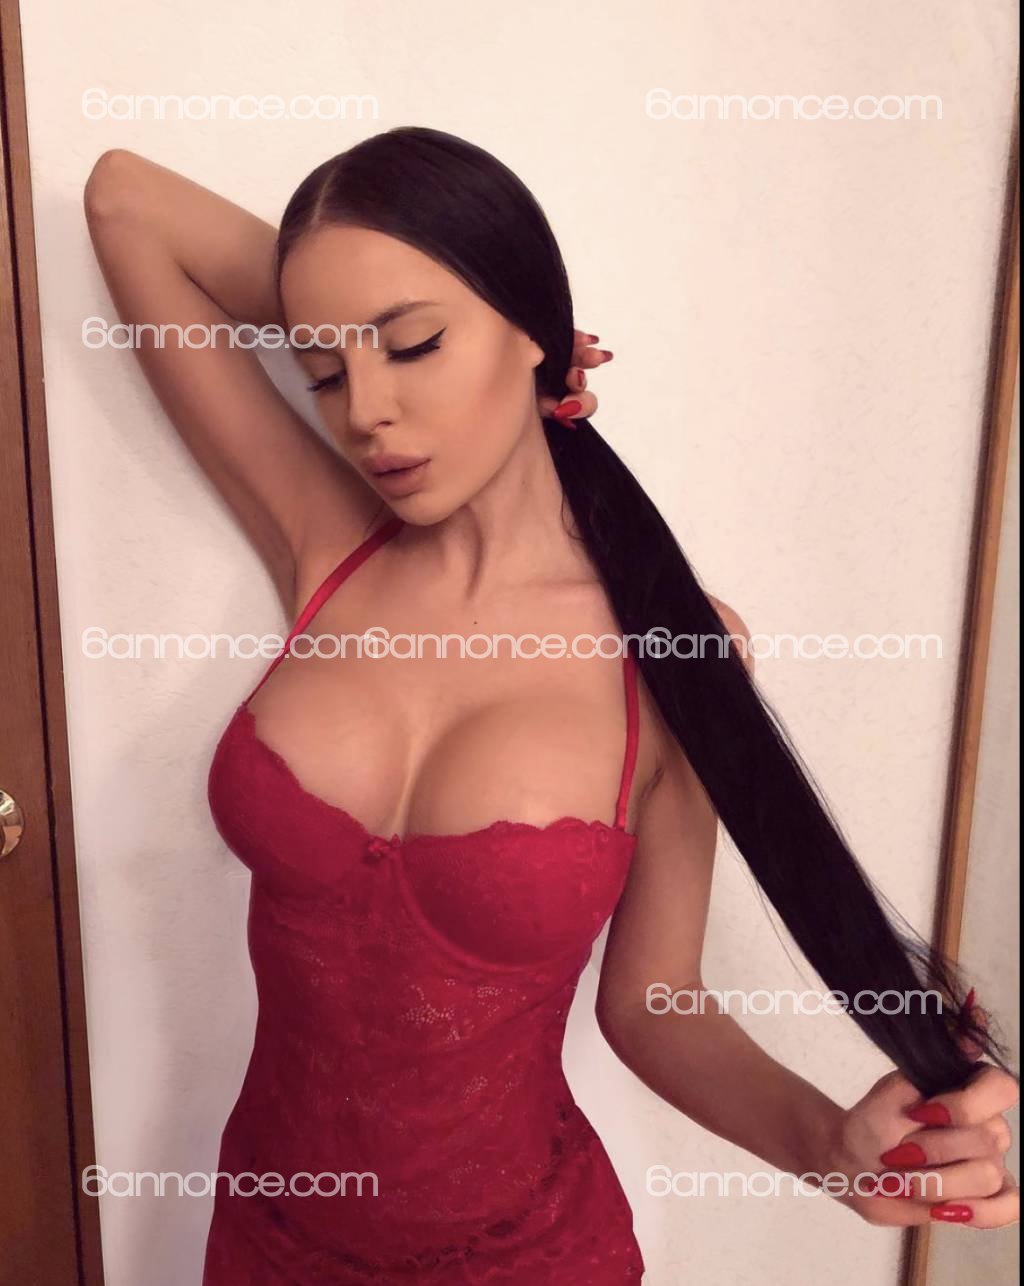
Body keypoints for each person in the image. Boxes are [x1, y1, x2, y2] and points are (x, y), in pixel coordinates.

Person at [84, 126, 1018, 1284]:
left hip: (529, 1256)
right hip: (267, 1240)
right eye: (323, 368)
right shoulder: (326, 546)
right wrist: (385, 327)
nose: (364, 410)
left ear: (533, 325)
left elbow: (654, 1004)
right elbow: (127, 204)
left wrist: (828, 1147)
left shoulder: (668, 647)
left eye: (414, 344)